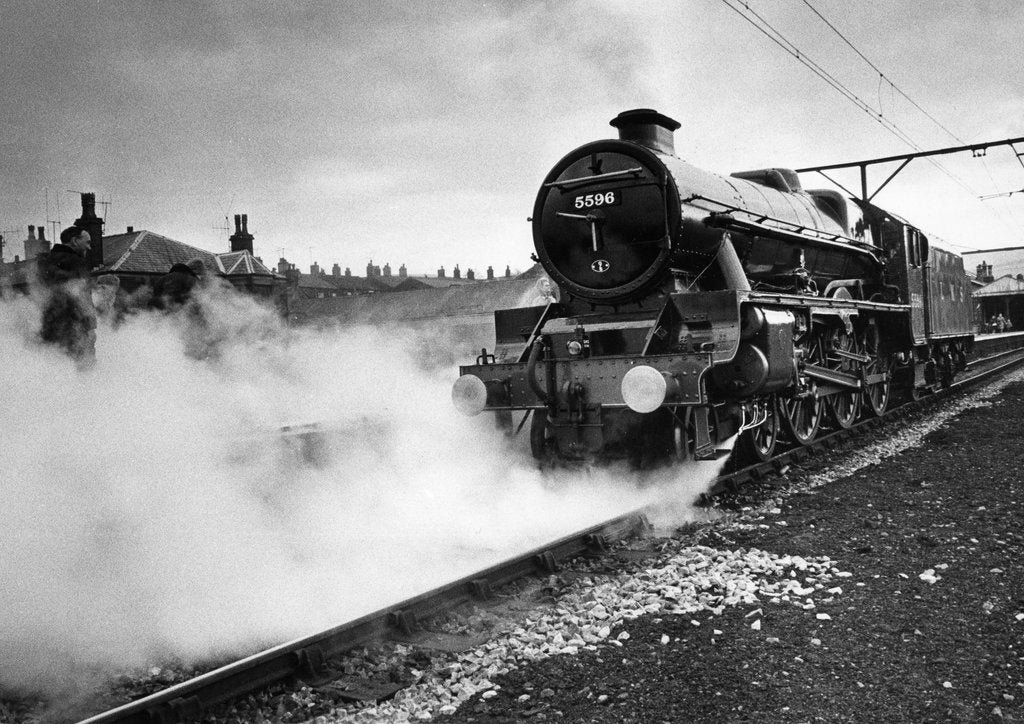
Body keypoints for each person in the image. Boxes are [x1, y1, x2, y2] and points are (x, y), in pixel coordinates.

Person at [37, 226, 96, 365]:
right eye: (87, 242)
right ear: (75, 241)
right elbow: (82, 298)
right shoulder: (76, 262)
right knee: (82, 372)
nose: (89, 248)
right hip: (74, 331)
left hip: (49, 329)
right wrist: (90, 328)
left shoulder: (43, 263)